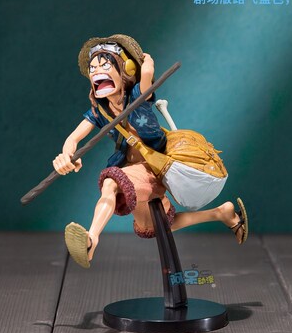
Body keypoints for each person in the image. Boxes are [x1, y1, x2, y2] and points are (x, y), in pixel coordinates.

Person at [53, 34, 248, 268]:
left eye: (105, 66)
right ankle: (221, 213)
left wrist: (146, 68)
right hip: (134, 170)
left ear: (126, 69)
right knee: (153, 226)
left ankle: (91, 239)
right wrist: (67, 156)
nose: (96, 72)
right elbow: (73, 139)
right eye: (92, 68)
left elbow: (146, 78)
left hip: (155, 165)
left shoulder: (138, 96)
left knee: (110, 183)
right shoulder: (100, 111)